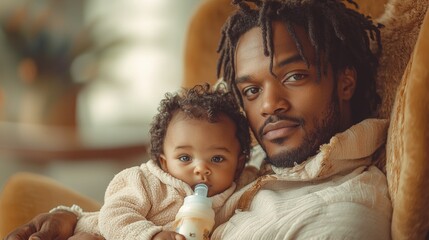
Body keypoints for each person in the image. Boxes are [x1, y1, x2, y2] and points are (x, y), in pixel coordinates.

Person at [3, 0, 392, 239]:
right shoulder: (250, 162)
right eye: (251, 91)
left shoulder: (339, 215)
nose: (269, 105)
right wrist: (77, 223)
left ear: (345, 82)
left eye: (294, 76)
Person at [96, 84, 251, 240]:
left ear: (238, 164)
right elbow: (113, 215)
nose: (201, 169)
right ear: (164, 162)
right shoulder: (146, 183)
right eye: (185, 158)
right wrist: (152, 235)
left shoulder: (242, 190)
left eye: (217, 158)